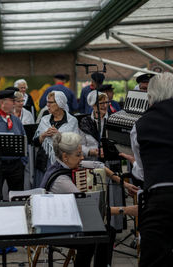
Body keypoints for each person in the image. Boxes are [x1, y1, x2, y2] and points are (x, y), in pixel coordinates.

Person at [40, 132, 138, 267]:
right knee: (93, 238)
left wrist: (123, 183)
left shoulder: (64, 164)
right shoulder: (61, 180)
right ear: (65, 156)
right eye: (78, 154)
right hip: (55, 227)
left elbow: (99, 166)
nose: (82, 158)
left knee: (107, 230)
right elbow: (92, 210)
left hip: (69, 219)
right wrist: (127, 210)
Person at [119, 72, 173, 267]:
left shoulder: (140, 125)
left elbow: (141, 173)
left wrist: (134, 162)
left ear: (150, 96)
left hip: (159, 201)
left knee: (155, 258)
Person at [33, 91, 79, 187]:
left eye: (50, 102)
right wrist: (44, 135)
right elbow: (35, 142)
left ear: (59, 103)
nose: (47, 105)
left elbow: (75, 143)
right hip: (44, 163)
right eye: (47, 102)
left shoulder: (72, 121)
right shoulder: (45, 119)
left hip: (62, 164)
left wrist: (59, 135)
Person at [79, 90, 109, 160]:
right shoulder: (85, 122)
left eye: (106, 102)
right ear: (93, 105)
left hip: (110, 162)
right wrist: (90, 151)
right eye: (101, 103)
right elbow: (80, 145)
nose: (105, 106)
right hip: (91, 162)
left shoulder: (112, 120)